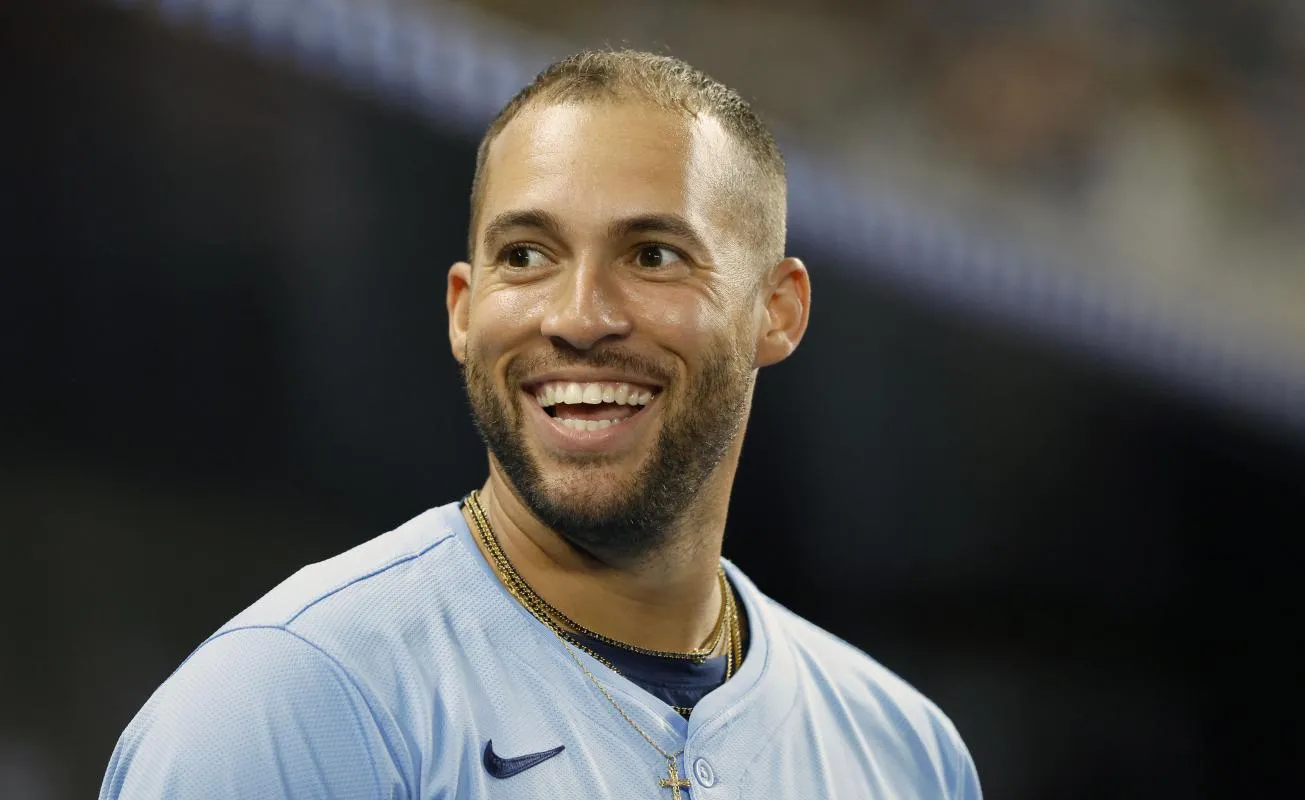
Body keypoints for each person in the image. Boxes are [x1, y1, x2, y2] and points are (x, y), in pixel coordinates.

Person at [100, 50, 981, 799]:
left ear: (776, 310)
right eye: (526, 256)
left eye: (653, 255)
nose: (579, 314)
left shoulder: (906, 753)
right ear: (463, 306)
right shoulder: (289, 702)